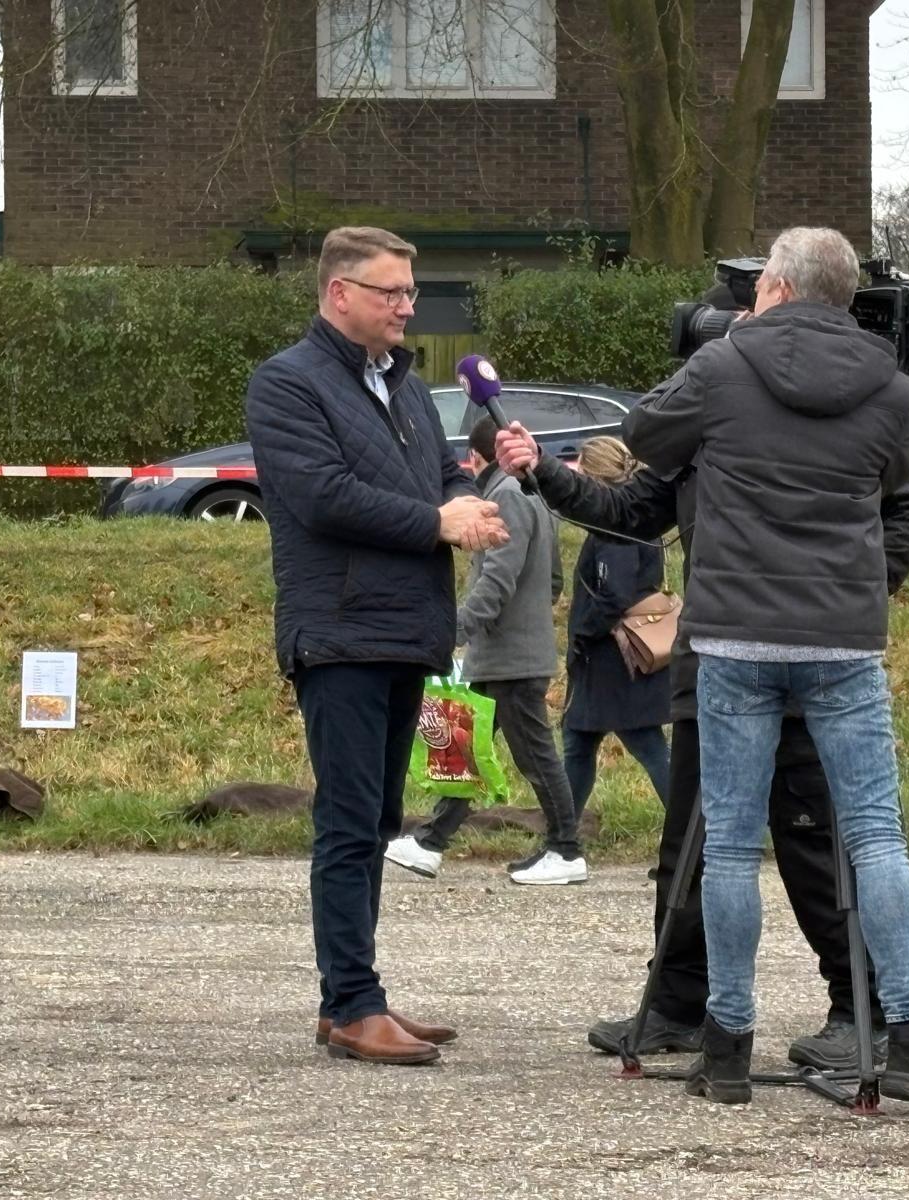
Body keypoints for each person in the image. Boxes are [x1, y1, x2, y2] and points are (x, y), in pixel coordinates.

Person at [623, 226, 909, 1109]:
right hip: (842, 641)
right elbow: (894, 492)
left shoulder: (723, 365)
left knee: (734, 848)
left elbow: (643, 435)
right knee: (875, 839)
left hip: (737, 639)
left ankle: (728, 1047)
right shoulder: (894, 390)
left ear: (774, 287)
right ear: (848, 296)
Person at [494, 424, 909, 1076]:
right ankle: (679, 1002)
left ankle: (858, 1006)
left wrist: (852, 590)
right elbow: (627, 509)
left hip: (809, 662)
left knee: (811, 843)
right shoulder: (712, 412)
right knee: (689, 848)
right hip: (713, 666)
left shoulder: (832, 416)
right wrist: (546, 472)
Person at [245, 226, 507, 1066]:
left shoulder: (407, 384)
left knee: (382, 818)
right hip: (341, 634)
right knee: (350, 822)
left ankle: (351, 997)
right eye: (391, 292)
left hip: (408, 630)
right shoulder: (286, 385)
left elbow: (440, 472)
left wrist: (469, 496)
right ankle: (354, 1004)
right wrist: (437, 522)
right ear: (339, 294)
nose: (407, 307)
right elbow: (322, 497)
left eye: (409, 293)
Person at [386, 416, 588, 886]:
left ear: (477, 458)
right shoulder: (533, 496)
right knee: (466, 751)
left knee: (535, 757)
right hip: (505, 653)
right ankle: (430, 842)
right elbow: (553, 580)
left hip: (510, 658)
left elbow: (496, 580)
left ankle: (566, 848)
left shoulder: (504, 499)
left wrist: (455, 628)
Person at [560, 436, 670, 819]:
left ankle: (694, 834)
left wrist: (583, 632)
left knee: (646, 747)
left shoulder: (615, 523)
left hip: (612, 661)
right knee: (580, 743)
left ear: (594, 475)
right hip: (617, 660)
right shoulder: (642, 513)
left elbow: (614, 594)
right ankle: (563, 836)